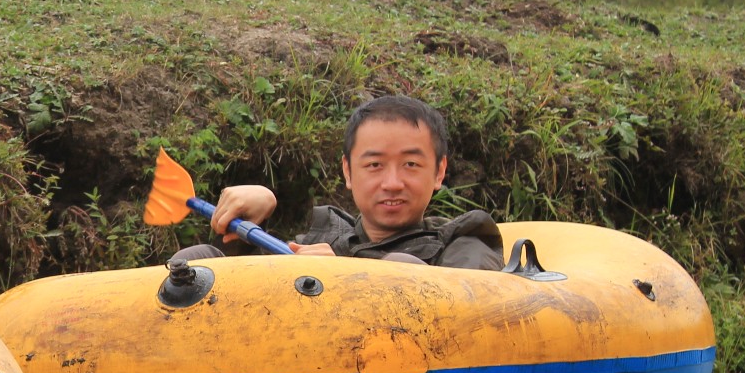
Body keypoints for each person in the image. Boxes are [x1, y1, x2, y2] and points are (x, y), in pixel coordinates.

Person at [178, 94, 504, 270]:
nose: (392, 182)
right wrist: (248, 225)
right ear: (348, 172)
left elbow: (469, 299)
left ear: (439, 172)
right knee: (198, 259)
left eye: (411, 164)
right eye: (374, 165)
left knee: (401, 266)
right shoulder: (322, 237)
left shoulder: (467, 238)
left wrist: (347, 274)